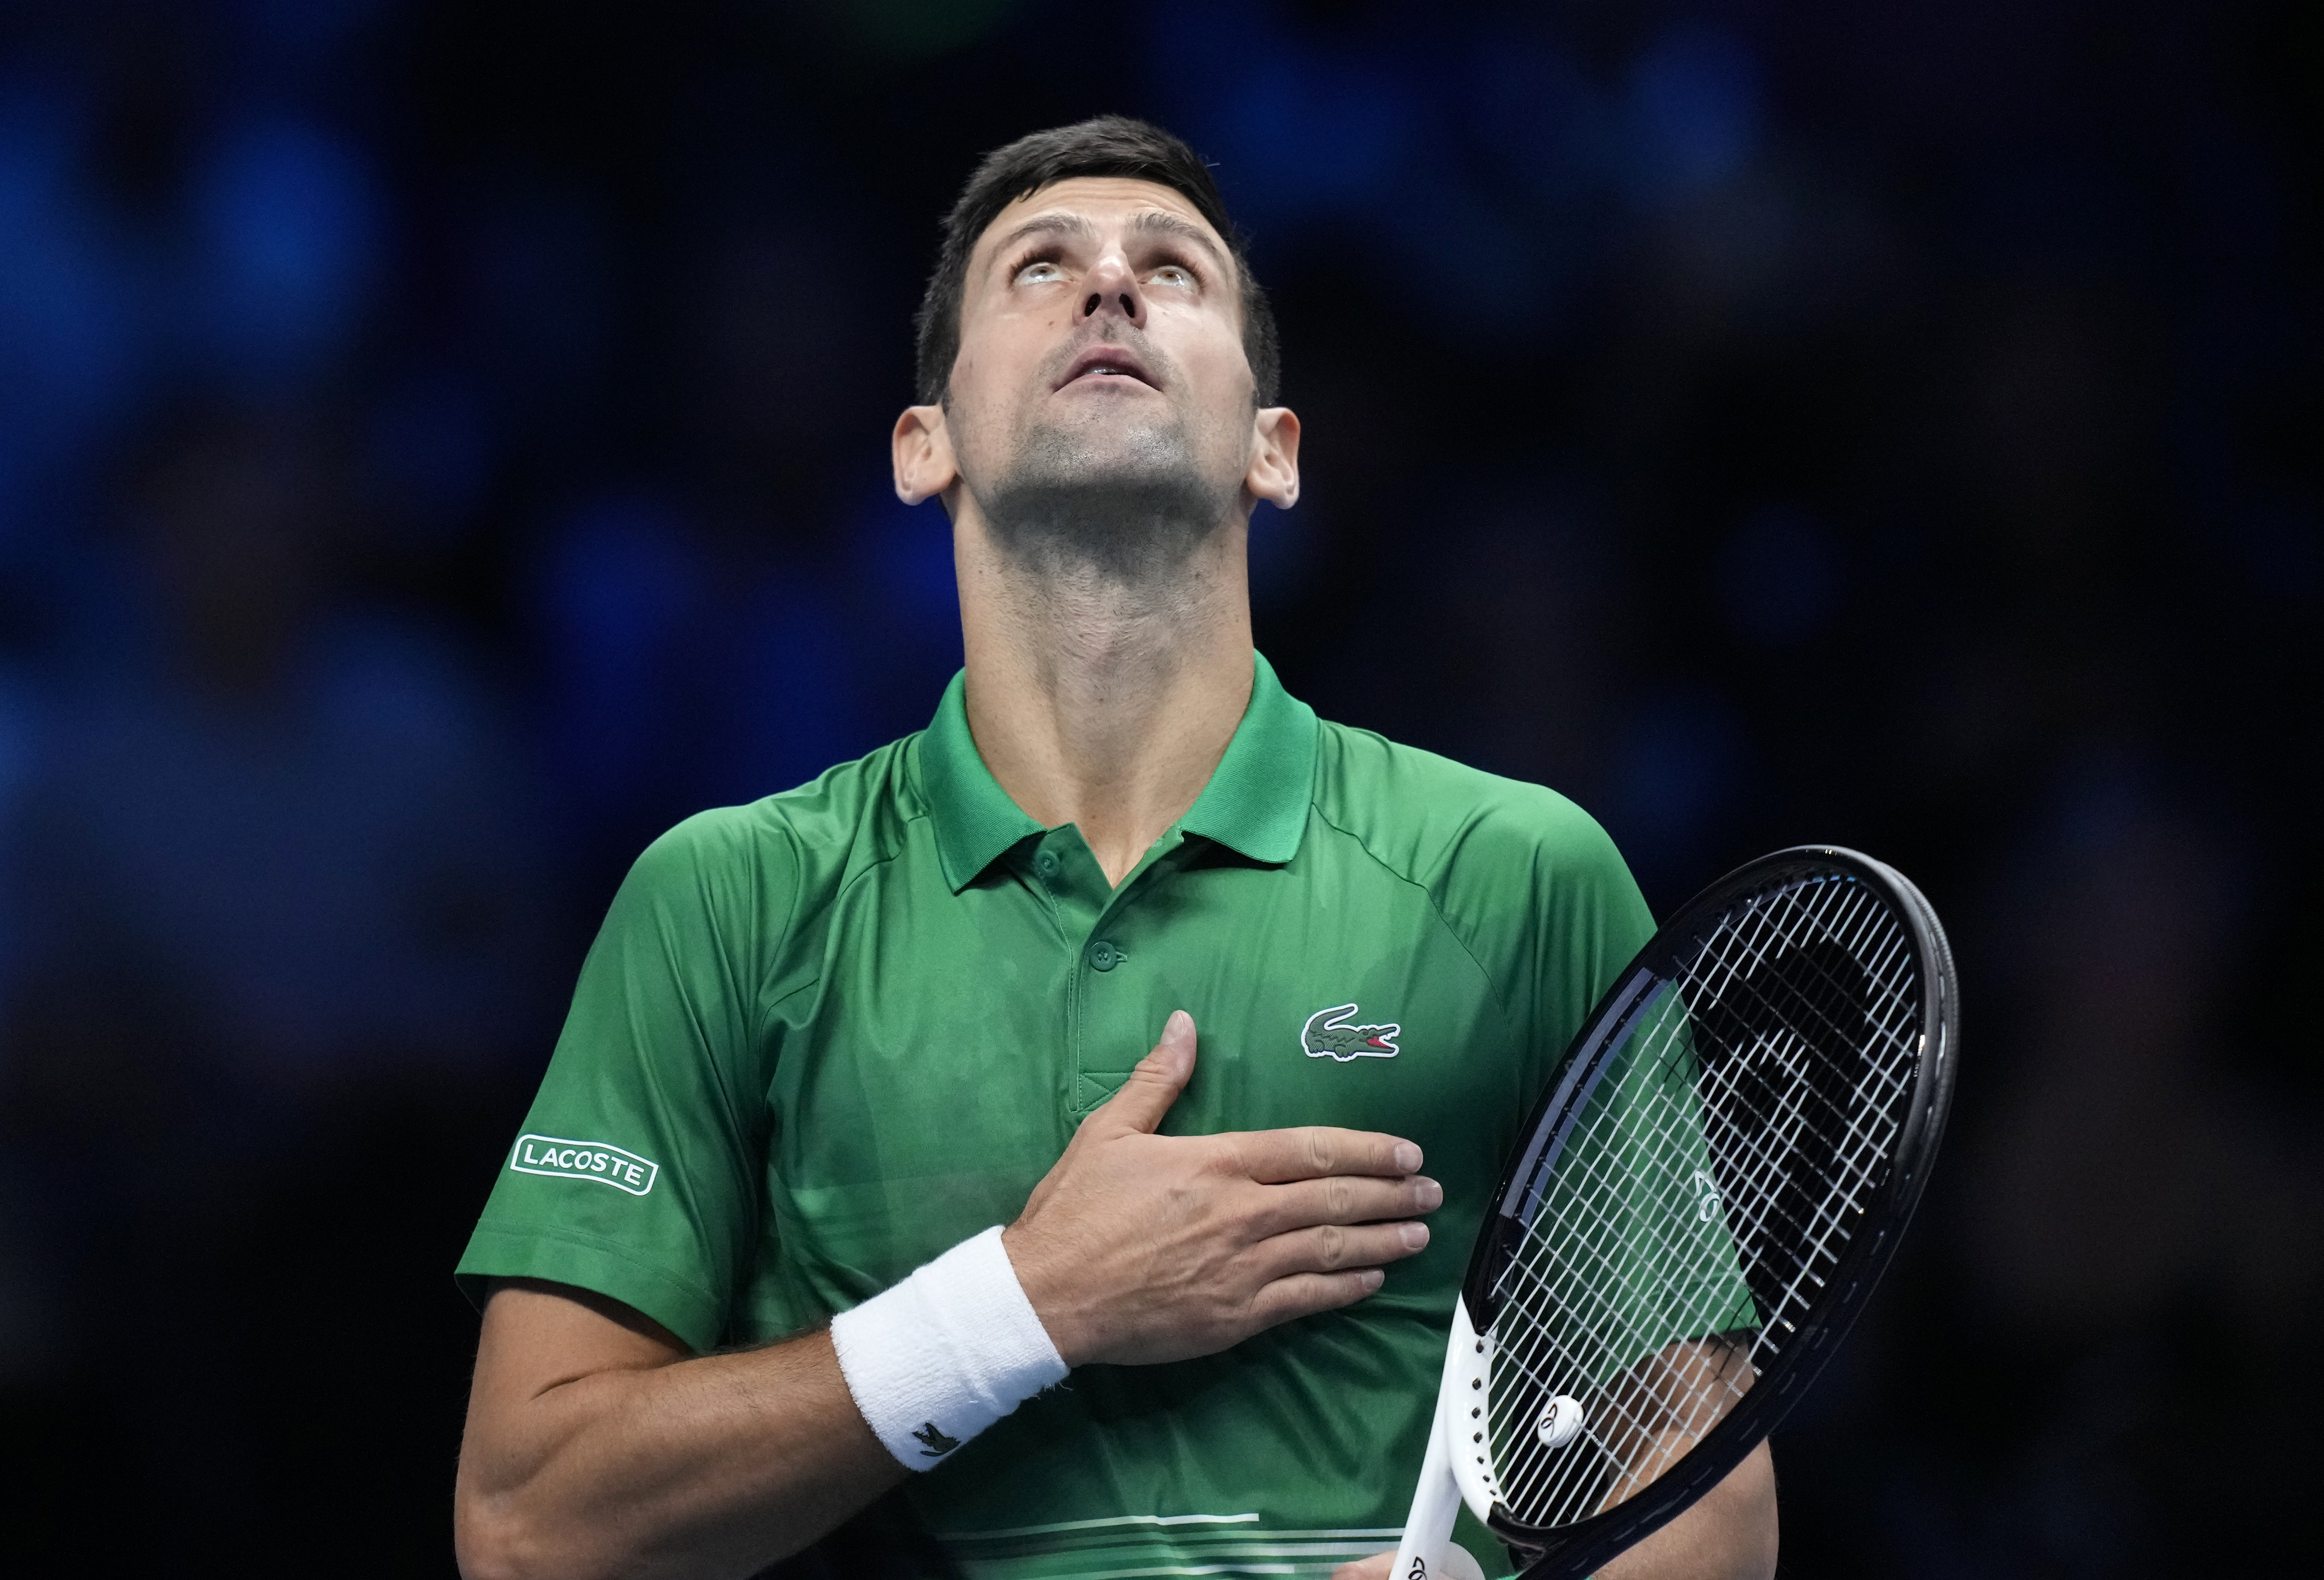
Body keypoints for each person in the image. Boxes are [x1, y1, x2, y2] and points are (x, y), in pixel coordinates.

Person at [452, 117, 1777, 1580]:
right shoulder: (729, 899)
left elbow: (1710, 1504)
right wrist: (1027, 1304)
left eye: (1172, 270)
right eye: (1038, 269)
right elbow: (528, 1528)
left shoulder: (1515, 872)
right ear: (923, 444)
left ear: (1273, 450)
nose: (1107, 288)